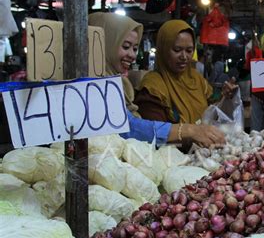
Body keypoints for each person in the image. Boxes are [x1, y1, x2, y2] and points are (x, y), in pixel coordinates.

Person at [88, 13, 225, 148]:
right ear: (103, 44)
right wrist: (188, 131)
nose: (132, 55)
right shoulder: (91, 85)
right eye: (125, 46)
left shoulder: (119, 84)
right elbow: (128, 128)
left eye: (135, 48)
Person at [135, 20, 237, 125]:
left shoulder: (197, 79)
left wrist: (225, 97)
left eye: (189, 50)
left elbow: (213, 113)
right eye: (177, 50)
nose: (184, 57)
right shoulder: (152, 86)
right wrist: (192, 133)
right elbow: (156, 130)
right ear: (164, 49)